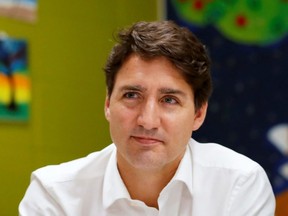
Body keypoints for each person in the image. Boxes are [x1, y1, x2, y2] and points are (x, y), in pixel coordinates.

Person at [19, 20, 275, 215]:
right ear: (108, 103)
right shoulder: (54, 194)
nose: (147, 120)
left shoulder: (239, 184)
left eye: (169, 100)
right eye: (131, 95)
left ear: (198, 113)